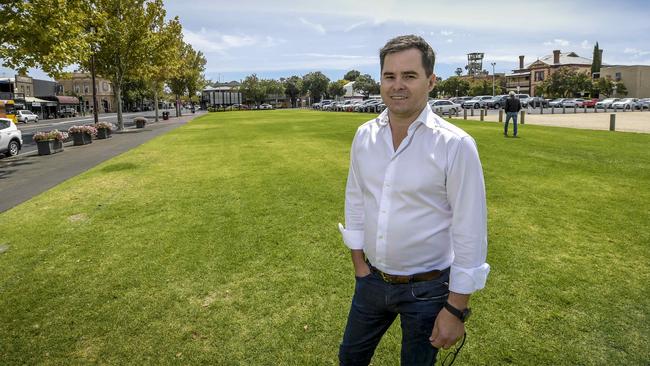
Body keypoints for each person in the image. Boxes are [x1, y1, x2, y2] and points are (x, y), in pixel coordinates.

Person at [337, 34, 490, 366]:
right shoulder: (365, 136)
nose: (397, 85)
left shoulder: (456, 145)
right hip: (372, 281)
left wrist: (455, 309)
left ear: (431, 81)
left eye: (409, 76)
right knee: (350, 357)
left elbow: (470, 231)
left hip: (428, 289)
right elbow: (356, 199)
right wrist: (360, 267)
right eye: (389, 76)